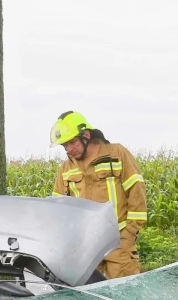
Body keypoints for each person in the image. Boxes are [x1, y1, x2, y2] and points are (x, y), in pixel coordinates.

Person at [49, 111, 147, 279]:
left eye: (72, 142)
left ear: (86, 135)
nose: (69, 149)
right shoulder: (66, 168)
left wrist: (129, 235)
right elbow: (57, 210)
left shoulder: (117, 154)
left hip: (119, 243)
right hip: (85, 248)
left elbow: (137, 195)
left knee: (124, 297)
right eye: (65, 145)